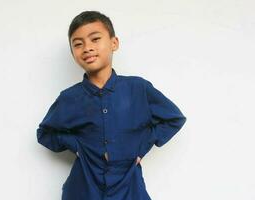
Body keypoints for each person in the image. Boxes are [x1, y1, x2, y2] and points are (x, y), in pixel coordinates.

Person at [36, 10, 187, 200]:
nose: (87, 48)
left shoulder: (138, 88)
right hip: (83, 190)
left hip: (128, 188)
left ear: (114, 43)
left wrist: (142, 147)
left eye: (95, 39)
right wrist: (77, 146)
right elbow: (44, 133)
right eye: (78, 44)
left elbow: (174, 119)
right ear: (73, 53)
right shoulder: (69, 98)